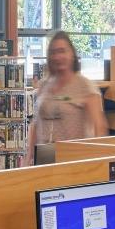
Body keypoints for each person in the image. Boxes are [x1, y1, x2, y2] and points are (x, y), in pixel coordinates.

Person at [26, 31, 105, 162]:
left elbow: (99, 127)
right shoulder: (44, 85)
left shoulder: (85, 86)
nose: (58, 56)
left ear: (72, 54)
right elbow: (36, 124)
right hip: (44, 156)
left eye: (62, 51)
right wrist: (28, 156)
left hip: (73, 157)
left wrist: (96, 161)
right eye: (53, 52)